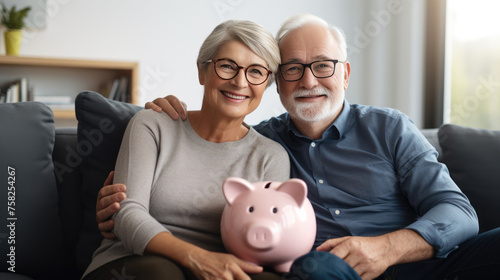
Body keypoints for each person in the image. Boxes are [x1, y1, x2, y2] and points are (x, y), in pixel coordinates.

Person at [97, 14, 500, 280]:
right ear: (278, 82)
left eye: (322, 65)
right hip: (327, 269)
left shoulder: (388, 128)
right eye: (292, 69)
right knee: (313, 269)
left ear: (345, 73)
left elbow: (460, 213)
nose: (308, 81)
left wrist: (388, 248)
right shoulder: (266, 142)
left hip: (428, 265)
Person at [83, 19, 291, 280]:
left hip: (219, 273)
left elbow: (269, 241)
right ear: (202, 71)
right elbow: (127, 212)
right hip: (133, 263)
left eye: (256, 71)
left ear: (266, 83)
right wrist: (198, 258)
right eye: (227, 66)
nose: (240, 82)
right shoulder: (153, 124)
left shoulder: (271, 157)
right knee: (163, 274)